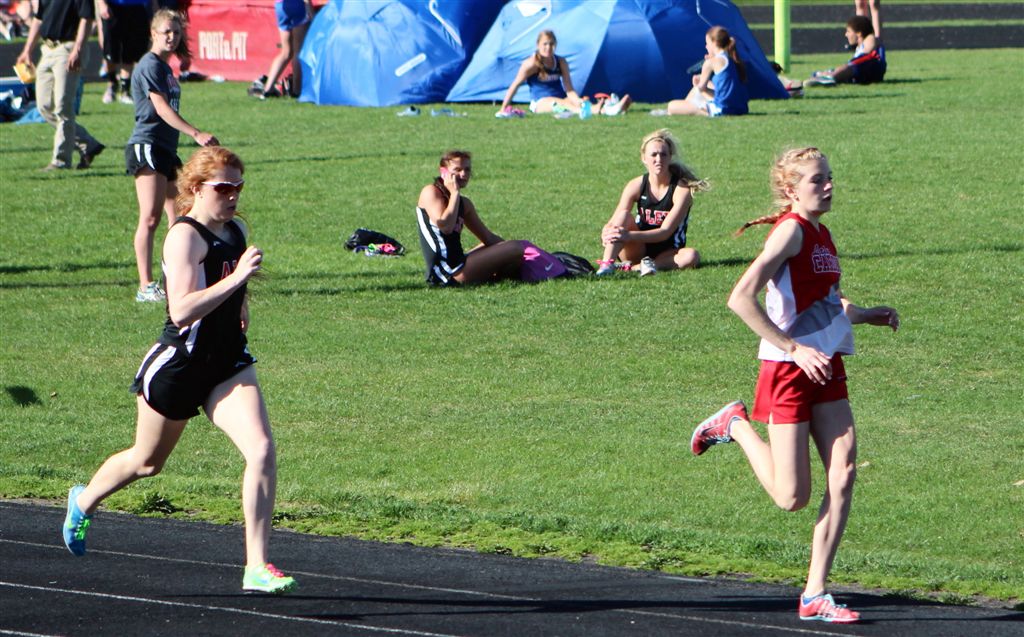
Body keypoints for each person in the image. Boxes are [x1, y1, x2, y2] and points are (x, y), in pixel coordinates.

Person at [61, 145, 298, 595]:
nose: (233, 195)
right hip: (179, 365)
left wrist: (241, 302)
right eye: (223, 187)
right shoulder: (183, 237)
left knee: (262, 449)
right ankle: (84, 500)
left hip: (227, 363)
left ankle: (256, 566)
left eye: (238, 186)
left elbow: (230, 282)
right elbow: (182, 310)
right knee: (147, 462)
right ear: (196, 187)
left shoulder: (236, 229)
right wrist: (236, 279)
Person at [690, 147, 900, 624]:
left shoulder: (822, 233)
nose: (828, 186)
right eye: (816, 180)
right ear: (791, 190)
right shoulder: (790, 231)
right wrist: (793, 348)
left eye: (829, 177)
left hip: (826, 366)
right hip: (788, 370)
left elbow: (824, 300)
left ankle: (815, 593)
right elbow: (740, 299)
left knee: (843, 472)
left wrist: (864, 314)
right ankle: (734, 424)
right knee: (792, 498)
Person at [127, 8, 219, 302]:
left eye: (176, 32)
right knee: (150, 217)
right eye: (166, 31)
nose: (172, 37)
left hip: (166, 149)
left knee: (180, 215)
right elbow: (161, 109)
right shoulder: (150, 65)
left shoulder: (165, 68)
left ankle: (176, 278)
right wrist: (195, 133)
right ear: (153, 33)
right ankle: (145, 286)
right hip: (148, 146)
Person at [596, 129, 707, 277]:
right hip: (637, 248)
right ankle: (606, 266)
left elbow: (665, 232)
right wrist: (607, 232)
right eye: (653, 154)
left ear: (670, 157)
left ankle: (635, 268)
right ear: (644, 158)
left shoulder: (681, 190)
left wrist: (629, 236)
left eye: (663, 154)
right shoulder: (635, 185)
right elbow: (615, 220)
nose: (658, 159)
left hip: (668, 252)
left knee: (692, 256)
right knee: (623, 216)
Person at [15, 0, 106, 171]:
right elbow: (39, 19)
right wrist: (27, 50)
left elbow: (86, 18)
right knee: (44, 106)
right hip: (47, 49)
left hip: (68, 49)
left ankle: (61, 160)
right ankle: (88, 143)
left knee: (63, 107)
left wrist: (78, 48)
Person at [415, 150, 525, 286]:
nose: (463, 174)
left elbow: (488, 238)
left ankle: (499, 278)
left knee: (511, 247)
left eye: (467, 169)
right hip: (446, 273)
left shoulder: (464, 204)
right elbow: (445, 226)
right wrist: (454, 193)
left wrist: (526, 248)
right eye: (457, 170)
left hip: (460, 263)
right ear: (443, 171)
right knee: (514, 248)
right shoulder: (430, 192)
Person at [496, 29, 631, 118]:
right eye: (545, 44)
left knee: (577, 102)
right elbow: (515, 85)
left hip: (561, 98)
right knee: (562, 104)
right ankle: (598, 110)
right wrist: (503, 108)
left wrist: (578, 101)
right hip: (540, 103)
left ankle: (611, 110)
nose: (548, 48)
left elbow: (569, 89)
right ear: (538, 45)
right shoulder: (531, 64)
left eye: (551, 44)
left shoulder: (561, 62)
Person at [664, 26, 748, 117]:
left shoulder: (711, 62)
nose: (706, 46)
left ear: (714, 43)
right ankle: (687, 105)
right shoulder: (732, 59)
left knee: (671, 106)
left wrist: (697, 83)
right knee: (708, 84)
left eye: (707, 43)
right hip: (740, 107)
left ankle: (694, 109)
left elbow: (701, 89)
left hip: (722, 109)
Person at [248, 0, 311, 99]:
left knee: (286, 52)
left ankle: (268, 89)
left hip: (280, 6)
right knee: (298, 51)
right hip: (296, 5)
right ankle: (296, 90)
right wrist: (310, 10)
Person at [96, 0, 156, 104]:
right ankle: (112, 84)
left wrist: (155, 7)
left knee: (130, 51)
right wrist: (102, 4)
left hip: (137, 5)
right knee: (111, 49)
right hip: (113, 6)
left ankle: (125, 90)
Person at [807, 16, 886, 86]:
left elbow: (871, 41)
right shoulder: (859, 49)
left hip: (872, 65)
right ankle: (825, 75)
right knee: (848, 68)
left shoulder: (870, 40)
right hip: (865, 72)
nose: (846, 34)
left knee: (851, 65)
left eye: (848, 31)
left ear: (859, 33)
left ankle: (831, 77)